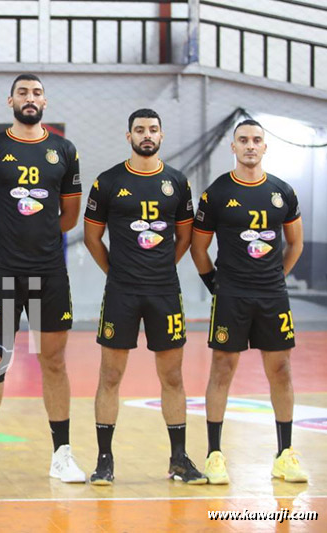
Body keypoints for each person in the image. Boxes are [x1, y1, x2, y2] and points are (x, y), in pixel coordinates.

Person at [0, 73, 85, 484]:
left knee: (54, 361)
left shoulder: (63, 150)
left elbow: (68, 216)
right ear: (10, 100)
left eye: (36, 93)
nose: (29, 99)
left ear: (44, 102)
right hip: (1, 271)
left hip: (50, 272)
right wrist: (7, 244)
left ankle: (62, 454)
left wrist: (39, 244)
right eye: (22, 93)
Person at [83, 108, 206, 485]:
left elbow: (185, 237)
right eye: (139, 130)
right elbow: (92, 237)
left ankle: (179, 459)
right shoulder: (108, 182)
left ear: (161, 136)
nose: (146, 135)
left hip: (164, 291)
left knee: (172, 376)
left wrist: (160, 270)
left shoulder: (177, 182)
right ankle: (105, 460)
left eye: (153, 129)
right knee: (110, 375)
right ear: (129, 136)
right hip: (121, 291)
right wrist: (117, 273)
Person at [191, 119, 307, 485]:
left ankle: (284, 455)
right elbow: (198, 247)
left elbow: (296, 243)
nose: (251, 146)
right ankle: (214, 455)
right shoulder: (217, 193)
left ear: (265, 146)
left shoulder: (282, 192)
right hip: (232, 295)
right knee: (222, 369)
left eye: (257, 140)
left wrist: (277, 279)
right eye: (244, 140)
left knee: (282, 371)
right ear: (233, 147)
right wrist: (214, 284)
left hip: (272, 295)